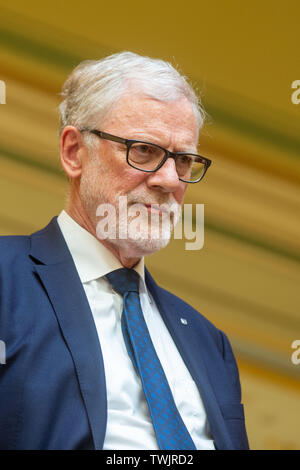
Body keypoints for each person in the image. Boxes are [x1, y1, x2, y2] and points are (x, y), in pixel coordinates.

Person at [0, 52, 249, 450]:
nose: (169, 180)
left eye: (183, 160)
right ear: (74, 152)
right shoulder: (5, 281)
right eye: (144, 151)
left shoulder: (209, 342)